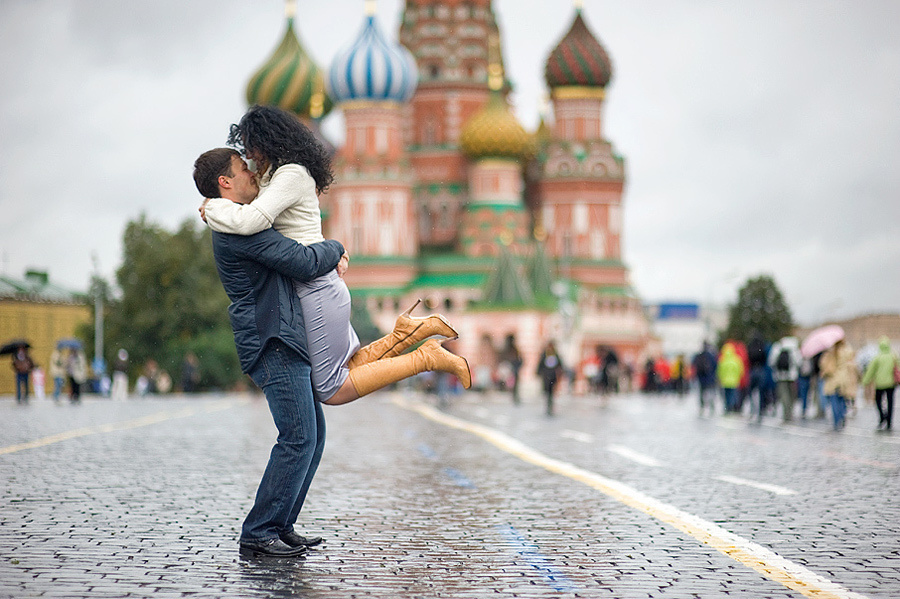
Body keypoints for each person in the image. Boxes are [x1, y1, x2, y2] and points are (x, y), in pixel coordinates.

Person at [194, 148, 469, 557]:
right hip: (272, 341)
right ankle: (260, 531)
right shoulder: (242, 230)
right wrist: (337, 246)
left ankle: (280, 525)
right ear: (225, 182)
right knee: (299, 436)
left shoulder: (237, 220)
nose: (251, 173)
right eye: (243, 169)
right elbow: (303, 260)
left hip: (286, 335)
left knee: (312, 436)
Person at [201, 107, 469, 405]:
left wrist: (212, 208)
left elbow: (252, 220)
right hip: (315, 283)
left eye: (252, 148)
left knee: (330, 389)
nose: (251, 157)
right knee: (346, 368)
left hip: (314, 285)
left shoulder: (290, 175)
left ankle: (426, 358)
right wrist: (218, 201)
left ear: (267, 141)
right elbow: (246, 201)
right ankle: (407, 333)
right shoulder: (274, 177)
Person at [861, 336, 899, 431]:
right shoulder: (893, 356)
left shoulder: (877, 358)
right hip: (891, 384)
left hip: (879, 384)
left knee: (878, 401)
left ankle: (882, 416)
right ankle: (889, 421)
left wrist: (865, 381)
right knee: (890, 402)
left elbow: (870, 371)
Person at [819, 339, 858, 431]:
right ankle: (842, 416)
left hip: (833, 380)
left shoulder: (831, 353)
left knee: (834, 401)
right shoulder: (847, 352)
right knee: (842, 400)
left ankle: (837, 421)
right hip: (844, 379)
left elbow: (827, 368)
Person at [768, 337, 802, 422]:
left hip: (780, 376)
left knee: (784, 396)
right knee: (792, 396)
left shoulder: (777, 347)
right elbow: (799, 362)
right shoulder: (794, 348)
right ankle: (790, 413)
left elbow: (771, 362)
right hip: (792, 376)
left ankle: (786, 415)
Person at [537, 341, 564, 416]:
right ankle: (548, 406)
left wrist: (561, 373)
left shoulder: (555, 355)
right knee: (547, 392)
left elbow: (560, 365)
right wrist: (539, 372)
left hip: (553, 376)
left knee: (551, 392)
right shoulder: (545, 354)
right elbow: (540, 364)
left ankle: (550, 406)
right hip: (546, 376)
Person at [717, 344, 743, 416]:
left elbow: (719, 371)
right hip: (734, 381)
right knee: (732, 395)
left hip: (725, 381)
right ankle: (731, 407)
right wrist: (738, 377)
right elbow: (740, 370)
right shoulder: (736, 360)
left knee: (726, 395)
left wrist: (720, 379)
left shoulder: (722, 360)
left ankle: (727, 407)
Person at [692, 343, 717, 414]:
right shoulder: (711, 356)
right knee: (711, 392)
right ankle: (711, 406)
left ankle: (702, 406)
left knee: (701, 393)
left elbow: (694, 365)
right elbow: (715, 366)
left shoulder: (698, 355)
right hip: (710, 378)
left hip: (701, 378)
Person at [498, 334, 523, 404]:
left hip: (513, 370)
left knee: (514, 385)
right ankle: (514, 396)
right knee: (512, 384)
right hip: (511, 371)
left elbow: (520, 360)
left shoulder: (513, 350)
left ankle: (514, 397)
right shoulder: (512, 350)